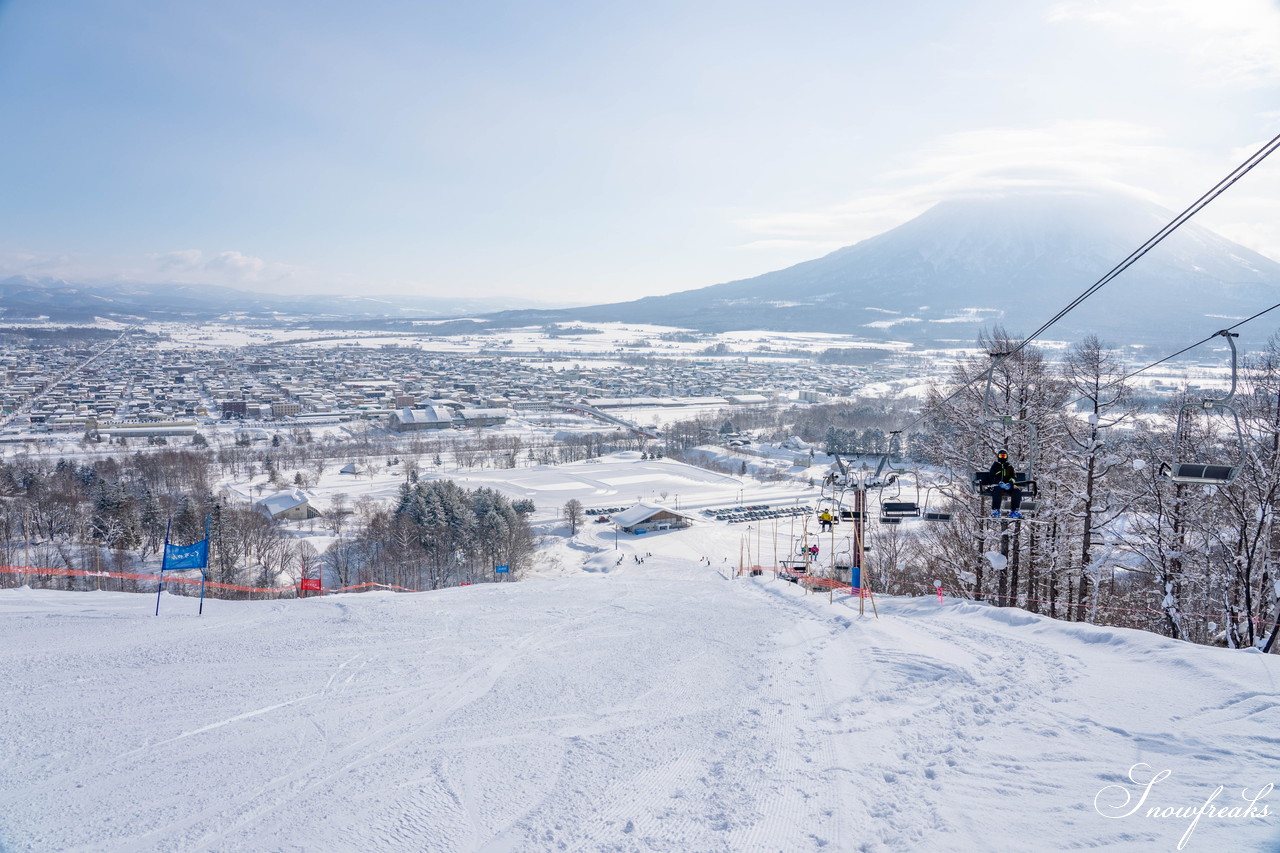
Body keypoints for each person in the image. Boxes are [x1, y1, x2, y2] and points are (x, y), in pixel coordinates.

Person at [988, 449, 1023, 519]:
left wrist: (1010, 483)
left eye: (1004, 456)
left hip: (1008, 486)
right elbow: (991, 477)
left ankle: (1014, 511)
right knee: (997, 490)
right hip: (998, 485)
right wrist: (998, 482)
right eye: (1001, 456)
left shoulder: (1009, 466)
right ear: (998, 456)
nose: (1002, 457)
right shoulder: (995, 466)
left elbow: (1014, 476)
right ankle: (996, 510)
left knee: (1016, 491)